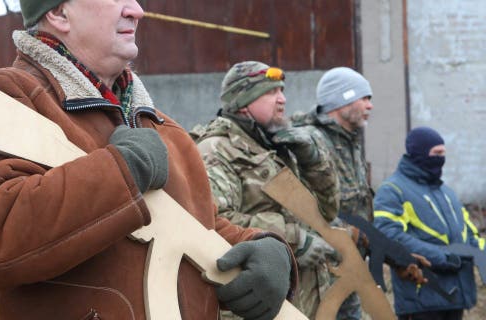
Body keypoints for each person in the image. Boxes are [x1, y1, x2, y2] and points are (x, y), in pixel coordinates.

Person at [0, 1, 298, 319]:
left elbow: (190, 226)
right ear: (59, 11)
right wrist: (121, 171)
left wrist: (258, 247)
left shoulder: (161, 127)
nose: (137, 10)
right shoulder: (8, 98)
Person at [191, 61, 341, 319]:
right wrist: (295, 238)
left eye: (282, 91)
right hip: (260, 304)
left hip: (303, 300)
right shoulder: (216, 149)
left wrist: (313, 160)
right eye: (271, 92)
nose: (282, 99)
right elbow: (214, 222)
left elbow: (327, 212)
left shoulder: (276, 147)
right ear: (243, 101)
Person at [290, 67, 375, 319]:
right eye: (364, 98)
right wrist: (346, 233)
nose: (370, 106)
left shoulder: (351, 139)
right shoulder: (312, 142)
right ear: (342, 100)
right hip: (323, 267)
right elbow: (304, 205)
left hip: (350, 262)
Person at [373, 127, 484, 320]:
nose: (441, 158)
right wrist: (443, 257)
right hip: (420, 299)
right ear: (419, 153)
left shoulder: (447, 194)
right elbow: (388, 236)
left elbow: (470, 236)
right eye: (436, 153)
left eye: (443, 153)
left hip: (454, 297)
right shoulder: (392, 190)